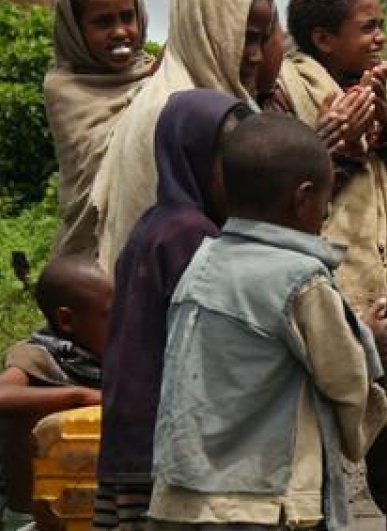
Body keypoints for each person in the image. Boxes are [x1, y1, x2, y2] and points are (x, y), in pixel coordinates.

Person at [147, 113, 387, 531]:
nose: (325, 211)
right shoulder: (300, 277)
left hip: (182, 494)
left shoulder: (203, 262)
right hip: (264, 503)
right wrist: (366, 352)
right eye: (326, 199)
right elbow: (345, 376)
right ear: (302, 199)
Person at [266, 0, 387, 531]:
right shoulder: (286, 91)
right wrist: (336, 142)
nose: (380, 38)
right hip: (328, 279)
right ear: (324, 40)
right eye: (368, 28)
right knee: (321, 403)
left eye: (381, 26)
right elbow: (280, 185)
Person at [93, 90, 253, 531]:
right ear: (195, 158)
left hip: (131, 438)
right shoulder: (191, 235)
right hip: (160, 445)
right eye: (232, 167)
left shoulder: (155, 222)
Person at [91, 0, 279, 272]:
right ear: (204, 27)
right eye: (245, 37)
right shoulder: (171, 110)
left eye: (262, 39)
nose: (256, 55)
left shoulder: (219, 98)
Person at [43, 0, 156, 260]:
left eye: (127, 17)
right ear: (75, 30)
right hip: (89, 256)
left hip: (151, 249)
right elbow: (101, 156)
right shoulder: (64, 87)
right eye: (103, 22)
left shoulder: (156, 74)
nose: (120, 31)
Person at [0, 256, 109, 523]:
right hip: (36, 515)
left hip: (91, 506)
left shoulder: (107, 357)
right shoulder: (39, 355)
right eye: (109, 315)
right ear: (66, 321)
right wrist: (78, 396)